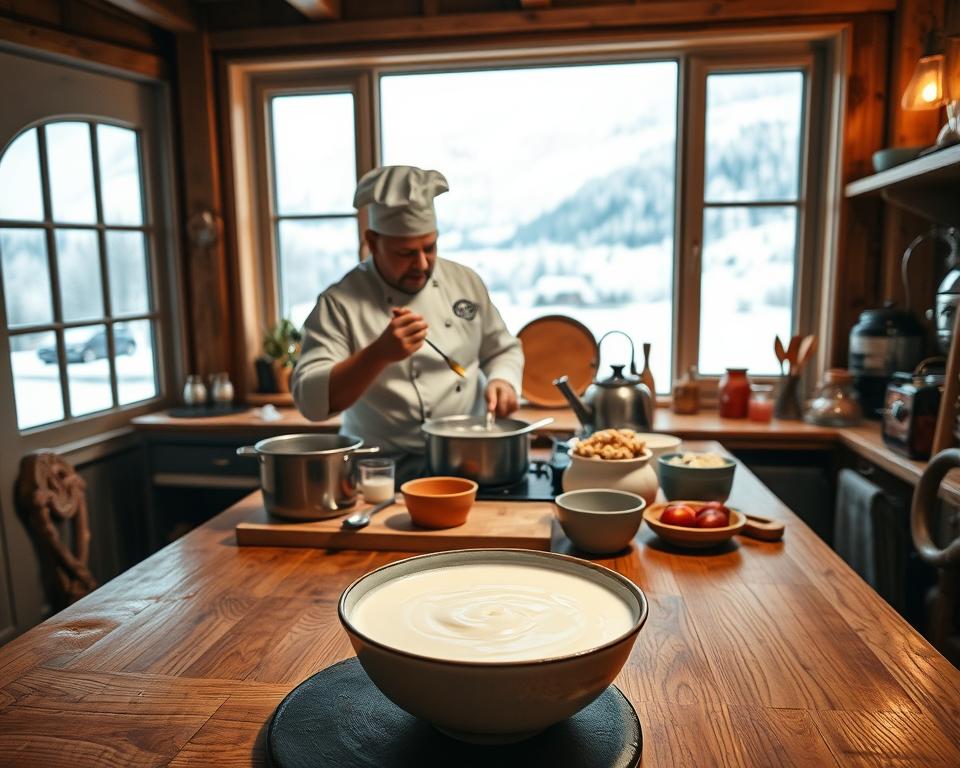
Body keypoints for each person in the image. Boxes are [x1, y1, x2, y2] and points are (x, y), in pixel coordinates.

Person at [292, 165, 524, 481]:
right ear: (372, 242)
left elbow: (502, 349)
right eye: (405, 253)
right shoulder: (339, 303)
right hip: (378, 470)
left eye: (429, 247)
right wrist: (378, 354)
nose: (422, 264)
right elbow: (311, 401)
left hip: (466, 463)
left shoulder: (465, 282)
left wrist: (503, 381)